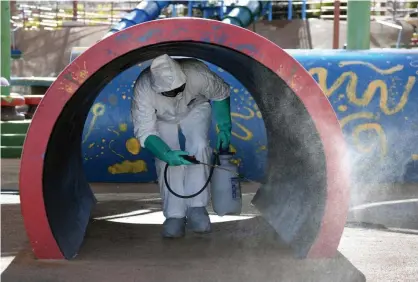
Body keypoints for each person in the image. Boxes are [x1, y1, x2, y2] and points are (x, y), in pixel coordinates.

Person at [131, 54, 232, 238]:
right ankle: (174, 215)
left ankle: (197, 208)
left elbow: (221, 93)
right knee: (168, 161)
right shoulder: (143, 88)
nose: (177, 94)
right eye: (171, 92)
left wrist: (224, 126)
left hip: (195, 108)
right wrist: (166, 153)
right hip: (161, 118)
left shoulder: (197, 73)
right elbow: (145, 131)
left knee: (199, 146)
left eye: (180, 88)